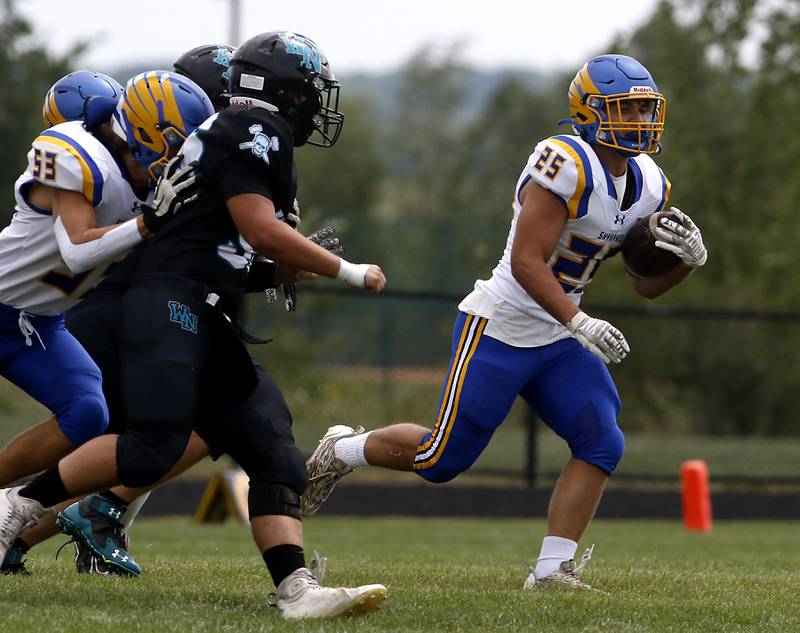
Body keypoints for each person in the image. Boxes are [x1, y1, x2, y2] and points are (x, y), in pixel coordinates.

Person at [0, 32, 389, 619]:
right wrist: (348, 271)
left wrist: (278, 266)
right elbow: (249, 229)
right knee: (149, 443)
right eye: (310, 90)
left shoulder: (235, 143)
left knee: (271, 442)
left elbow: (231, 246)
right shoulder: (248, 132)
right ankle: (18, 512)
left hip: (199, 307)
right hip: (161, 304)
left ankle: (296, 590)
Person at [301, 54, 708, 592]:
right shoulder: (563, 161)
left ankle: (551, 570)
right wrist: (581, 320)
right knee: (440, 460)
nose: (639, 120)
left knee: (601, 440)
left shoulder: (652, 184)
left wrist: (688, 262)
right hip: (503, 326)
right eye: (625, 108)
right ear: (588, 111)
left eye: (643, 108)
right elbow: (526, 262)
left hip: (559, 334)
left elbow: (643, 284)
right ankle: (343, 448)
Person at [0, 69, 205, 490]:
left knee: (87, 411)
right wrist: (150, 223)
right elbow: (76, 251)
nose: (184, 162)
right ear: (150, 136)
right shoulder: (80, 154)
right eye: (178, 147)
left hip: (36, 322)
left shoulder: (155, 189)